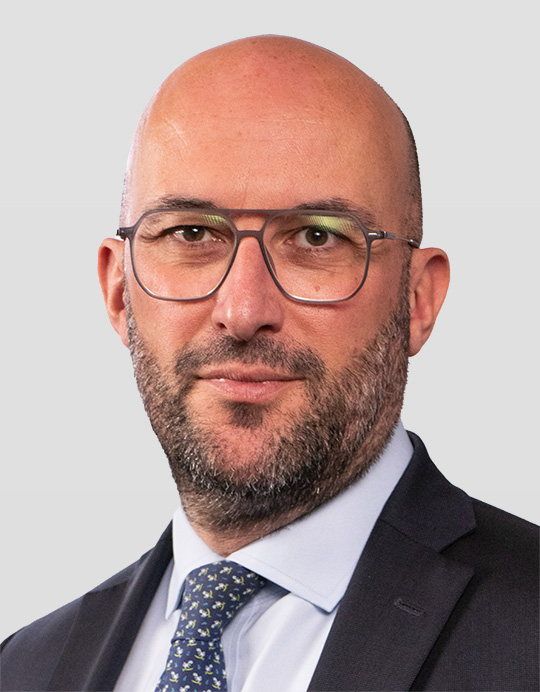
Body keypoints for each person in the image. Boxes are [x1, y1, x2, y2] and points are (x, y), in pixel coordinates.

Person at [1, 35, 538, 692]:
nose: (243, 309)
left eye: (317, 237)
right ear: (118, 291)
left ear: (418, 300)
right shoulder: (24, 668)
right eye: (192, 233)